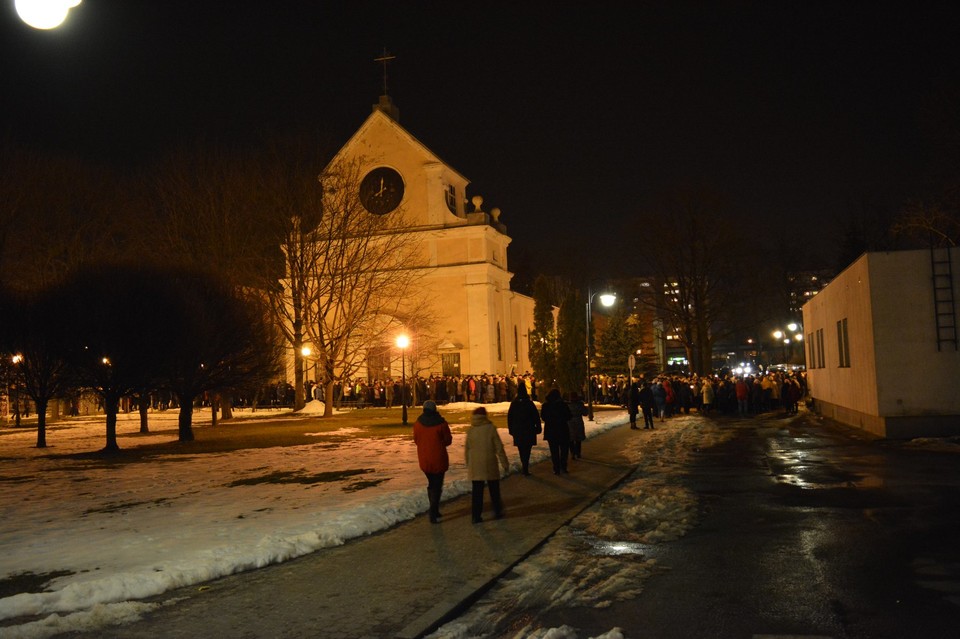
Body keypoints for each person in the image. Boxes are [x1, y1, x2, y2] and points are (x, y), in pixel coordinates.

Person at [465, 407, 510, 523]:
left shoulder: (471, 430)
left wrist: (468, 463)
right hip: (489, 462)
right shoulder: (490, 428)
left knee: (477, 492)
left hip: (475, 465)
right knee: (494, 489)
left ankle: (476, 515)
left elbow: (467, 449)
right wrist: (505, 463)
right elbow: (499, 448)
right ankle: (497, 511)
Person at [412, 400, 452, 524]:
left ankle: (434, 509)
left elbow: (416, 439)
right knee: (437, 485)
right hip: (438, 457)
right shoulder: (441, 423)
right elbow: (447, 440)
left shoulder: (418, 423)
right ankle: (433, 511)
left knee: (431, 483)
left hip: (424, 458)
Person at [507, 382, 541, 475]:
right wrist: (538, 427)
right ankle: (525, 465)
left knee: (521, 448)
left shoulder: (514, 403)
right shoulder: (529, 403)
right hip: (529, 429)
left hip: (518, 430)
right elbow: (535, 416)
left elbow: (510, 417)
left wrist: (511, 429)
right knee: (527, 449)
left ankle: (524, 464)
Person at [540, 387, 572, 474]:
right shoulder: (562, 405)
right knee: (564, 450)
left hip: (551, 431)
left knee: (554, 451)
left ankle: (556, 468)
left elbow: (543, 417)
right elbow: (569, 416)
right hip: (562, 430)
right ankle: (563, 466)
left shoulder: (546, 405)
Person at [567, 391, 588, 459]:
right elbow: (585, 413)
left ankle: (572, 453)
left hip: (570, 422)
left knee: (571, 438)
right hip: (578, 421)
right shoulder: (580, 404)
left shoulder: (568, 405)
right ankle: (578, 453)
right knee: (578, 439)